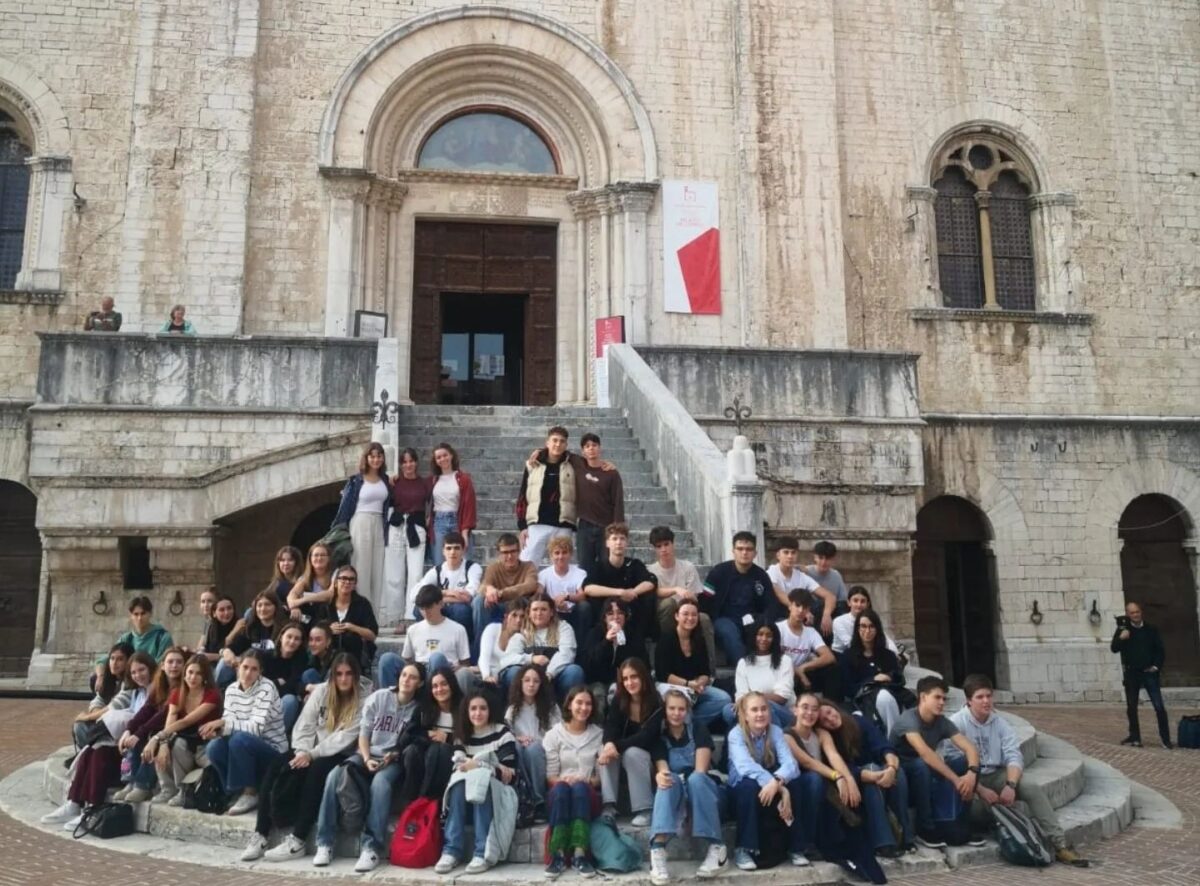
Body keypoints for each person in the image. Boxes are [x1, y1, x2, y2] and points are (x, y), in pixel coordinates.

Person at [951, 674, 1088, 865]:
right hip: (972, 779)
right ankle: (1003, 826)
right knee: (977, 809)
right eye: (980, 697)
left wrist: (1011, 785)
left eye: (989, 696)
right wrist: (980, 790)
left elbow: (1014, 756)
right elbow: (952, 762)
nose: (986, 701)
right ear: (968, 700)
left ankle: (1059, 845)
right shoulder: (957, 723)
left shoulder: (1000, 723)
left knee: (1031, 787)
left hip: (997, 774)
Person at [243, 652, 368, 862]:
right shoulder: (322, 691)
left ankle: (298, 840)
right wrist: (301, 751)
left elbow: (346, 736)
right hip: (311, 747)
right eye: (339, 674)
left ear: (355, 675)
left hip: (340, 752)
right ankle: (261, 834)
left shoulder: (364, 699)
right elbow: (305, 724)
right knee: (276, 765)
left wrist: (312, 755)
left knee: (317, 771)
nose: (344, 679)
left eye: (348, 674)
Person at [320, 661, 424, 873]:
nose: (407, 680)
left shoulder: (419, 709)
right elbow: (364, 734)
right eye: (404, 674)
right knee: (333, 775)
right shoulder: (379, 697)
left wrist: (391, 756)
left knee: (381, 783)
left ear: (420, 683)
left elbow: (411, 743)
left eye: (413, 677)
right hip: (367, 753)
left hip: (393, 760)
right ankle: (325, 841)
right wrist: (366, 758)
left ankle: (372, 846)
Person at [45, 653, 158, 830]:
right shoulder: (138, 692)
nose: (138, 675)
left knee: (100, 755)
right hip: (126, 742)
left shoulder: (156, 691)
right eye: (134, 672)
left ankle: (91, 808)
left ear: (151, 669)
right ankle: (74, 803)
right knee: (91, 751)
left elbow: (148, 718)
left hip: (140, 749)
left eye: (142, 670)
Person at [889, 675, 981, 849]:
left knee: (965, 763)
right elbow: (925, 753)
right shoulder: (908, 719)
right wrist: (956, 779)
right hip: (903, 772)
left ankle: (961, 825)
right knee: (921, 765)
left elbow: (970, 748)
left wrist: (971, 773)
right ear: (923, 697)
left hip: (927, 771)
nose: (942, 703)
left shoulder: (942, 722)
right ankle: (925, 828)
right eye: (937, 697)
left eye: (944, 698)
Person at [434, 692, 520, 874]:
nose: (478, 713)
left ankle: (481, 852)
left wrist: (479, 765)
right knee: (458, 782)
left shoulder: (502, 733)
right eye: (473, 708)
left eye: (483, 708)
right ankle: (451, 850)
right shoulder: (462, 735)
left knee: (482, 779)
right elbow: (460, 767)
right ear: (467, 711)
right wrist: (489, 765)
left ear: (490, 711)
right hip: (466, 797)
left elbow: (510, 775)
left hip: (498, 795)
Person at [648, 688, 728, 883]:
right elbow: (663, 769)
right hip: (680, 794)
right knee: (667, 780)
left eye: (681, 709)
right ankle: (657, 851)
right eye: (672, 708)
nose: (677, 713)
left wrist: (687, 809)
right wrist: (661, 777)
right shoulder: (659, 737)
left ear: (688, 711)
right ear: (664, 710)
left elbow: (701, 770)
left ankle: (718, 849)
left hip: (708, 794)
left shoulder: (698, 728)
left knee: (695, 779)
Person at [819, 699, 913, 859]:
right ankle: (884, 843)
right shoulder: (829, 740)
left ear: (834, 707)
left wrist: (891, 768)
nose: (831, 719)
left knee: (899, 773)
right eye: (825, 721)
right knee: (872, 772)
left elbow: (883, 746)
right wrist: (875, 776)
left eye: (829, 712)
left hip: (879, 771)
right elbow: (848, 769)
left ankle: (907, 837)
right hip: (855, 780)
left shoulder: (858, 721)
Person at [201, 649, 288, 816]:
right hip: (243, 745)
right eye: (245, 667)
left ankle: (250, 793)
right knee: (214, 747)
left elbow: (256, 728)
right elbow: (228, 722)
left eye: (254, 669)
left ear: (260, 672)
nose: (248, 673)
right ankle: (236, 790)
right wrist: (217, 731)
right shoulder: (232, 690)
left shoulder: (266, 687)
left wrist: (224, 724)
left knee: (239, 739)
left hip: (272, 749)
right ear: (237, 667)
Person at [726, 691, 804, 871]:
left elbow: (791, 765)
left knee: (796, 784)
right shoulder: (735, 735)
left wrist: (777, 783)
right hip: (740, 790)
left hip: (767, 785)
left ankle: (796, 847)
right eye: (754, 710)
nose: (760, 714)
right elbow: (745, 767)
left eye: (763, 709)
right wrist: (780, 788)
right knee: (749, 786)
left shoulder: (775, 731)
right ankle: (744, 848)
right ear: (745, 715)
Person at [542, 686, 604, 878]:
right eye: (579, 702)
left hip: (587, 795)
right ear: (569, 704)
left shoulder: (599, 735)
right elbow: (550, 776)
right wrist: (563, 780)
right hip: (559, 794)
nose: (583, 708)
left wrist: (584, 780)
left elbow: (600, 778)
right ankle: (558, 855)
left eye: (588, 704)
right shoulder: (554, 734)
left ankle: (580, 854)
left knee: (579, 787)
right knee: (561, 788)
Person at [113, 647, 186, 803]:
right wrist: (129, 730)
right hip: (159, 727)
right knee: (133, 739)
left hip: (175, 728)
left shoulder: (182, 687)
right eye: (170, 662)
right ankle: (130, 781)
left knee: (147, 737)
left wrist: (139, 733)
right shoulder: (160, 684)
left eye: (179, 662)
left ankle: (143, 785)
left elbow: (163, 715)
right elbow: (147, 709)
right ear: (162, 665)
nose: (174, 666)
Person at [334, 442, 394, 621]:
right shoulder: (356, 480)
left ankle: (373, 617)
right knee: (361, 568)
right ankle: (358, 614)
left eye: (379, 456)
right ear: (366, 458)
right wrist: (337, 528)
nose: (376, 459)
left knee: (377, 570)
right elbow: (344, 508)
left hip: (379, 523)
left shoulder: (385, 480)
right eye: (372, 456)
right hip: (360, 522)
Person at [599, 658, 662, 825]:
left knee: (632, 753)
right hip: (623, 755)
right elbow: (610, 726)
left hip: (648, 760)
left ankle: (645, 809)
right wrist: (609, 744)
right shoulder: (620, 699)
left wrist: (616, 746)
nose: (629, 682)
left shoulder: (656, 701)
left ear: (643, 677)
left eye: (634, 677)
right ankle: (609, 806)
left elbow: (647, 737)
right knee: (604, 750)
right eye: (625, 679)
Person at [152, 654, 221, 806]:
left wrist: (157, 738)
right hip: (186, 740)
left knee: (169, 741)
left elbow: (186, 721)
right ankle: (171, 790)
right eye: (190, 672)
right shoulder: (177, 693)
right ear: (184, 674)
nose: (193, 677)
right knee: (171, 744)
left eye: (198, 673)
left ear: (205, 676)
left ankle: (186, 791)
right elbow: (169, 723)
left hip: (206, 742)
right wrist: (162, 742)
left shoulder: (212, 695)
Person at [393, 665, 462, 810]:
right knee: (412, 751)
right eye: (435, 686)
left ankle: (426, 803)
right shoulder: (424, 709)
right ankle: (412, 802)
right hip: (421, 763)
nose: (439, 689)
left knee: (439, 750)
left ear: (452, 685)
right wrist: (426, 734)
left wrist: (448, 738)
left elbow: (471, 738)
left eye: (444, 684)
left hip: (450, 761)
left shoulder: (463, 709)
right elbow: (406, 737)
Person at [654, 599, 731, 728]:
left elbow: (705, 672)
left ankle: (688, 723)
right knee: (681, 702)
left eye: (694, 615)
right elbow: (663, 674)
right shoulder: (666, 639)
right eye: (685, 614)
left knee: (724, 699)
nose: (690, 618)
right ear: (677, 616)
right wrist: (688, 684)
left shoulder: (698, 639)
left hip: (694, 687)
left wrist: (700, 683)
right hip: (673, 687)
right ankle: (683, 721)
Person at [381, 584, 472, 692]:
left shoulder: (458, 629)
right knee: (387, 659)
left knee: (436, 658)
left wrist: (459, 668)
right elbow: (408, 659)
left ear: (440, 604)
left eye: (429, 607)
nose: (425, 612)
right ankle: (390, 699)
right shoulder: (413, 629)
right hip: (420, 670)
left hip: (445, 671)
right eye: (422, 608)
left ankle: (432, 699)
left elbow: (465, 663)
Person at [702, 532, 773, 665]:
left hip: (752, 620)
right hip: (723, 620)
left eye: (749, 549)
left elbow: (769, 604)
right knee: (729, 632)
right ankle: (746, 669)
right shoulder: (718, 572)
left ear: (755, 553)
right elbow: (705, 601)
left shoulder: (761, 576)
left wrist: (763, 621)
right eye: (740, 549)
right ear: (733, 551)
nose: (744, 553)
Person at [649, 525, 717, 665]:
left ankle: (710, 669)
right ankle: (667, 656)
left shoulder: (687, 567)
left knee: (703, 618)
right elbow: (652, 591)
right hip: (664, 618)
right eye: (659, 546)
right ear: (654, 549)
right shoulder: (650, 571)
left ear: (673, 544)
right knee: (669, 604)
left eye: (667, 544)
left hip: (687, 611)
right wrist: (675, 589)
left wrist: (684, 610)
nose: (663, 549)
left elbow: (693, 598)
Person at [583, 522, 658, 645]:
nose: (618, 542)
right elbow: (588, 588)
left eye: (622, 539)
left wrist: (633, 592)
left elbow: (650, 582)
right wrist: (619, 592)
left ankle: (645, 636)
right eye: (614, 539)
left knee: (648, 596)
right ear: (607, 543)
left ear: (627, 542)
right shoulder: (599, 566)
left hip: (630, 614)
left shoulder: (634, 564)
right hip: (605, 615)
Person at [1111, 600, 1172, 749]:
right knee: (1131, 707)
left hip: (1149, 673)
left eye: (1137, 612)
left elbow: (1160, 650)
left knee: (1159, 707)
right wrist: (1121, 638)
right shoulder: (1123, 630)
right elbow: (1114, 648)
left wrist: (1156, 666)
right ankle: (1135, 737)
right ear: (1128, 615)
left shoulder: (1151, 629)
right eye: (1132, 613)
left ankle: (1165, 739)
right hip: (1132, 673)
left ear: (1141, 612)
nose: (1135, 615)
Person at [499, 594, 585, 699]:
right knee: (512, 672)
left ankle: (564, 710)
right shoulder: (522, 632)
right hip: (528, 678)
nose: (539, 613)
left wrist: (549, 674)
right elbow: (507, 659)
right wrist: (531, 658)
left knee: (574, 671)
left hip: (555, 676)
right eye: (535, 609)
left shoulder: (563, 628)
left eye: (543, 609)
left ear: (551, 612)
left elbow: (567, 654)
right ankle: (519, 708)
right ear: (529, 613)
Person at [506, 663, 561, 822]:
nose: (531, 684)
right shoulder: (512, 709)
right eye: (527, 680)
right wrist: (518, 739)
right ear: (520, 683)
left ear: (541, 684)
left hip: (542, 751)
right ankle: (527, 798)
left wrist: (536, 741)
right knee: (515, 746)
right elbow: (507, 735)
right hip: (521, 752)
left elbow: (557, 735)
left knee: (534, 748)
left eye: (536, 681)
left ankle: (538, 802)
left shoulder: (551, 708)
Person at [516, 426, 578, 563]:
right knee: (527, 565)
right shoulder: (533, 464)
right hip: (538, 523)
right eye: (554, 440)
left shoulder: (573, 464)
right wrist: (522, 526)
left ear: (566, 445)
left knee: (563, 566)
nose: (558, 444)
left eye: (562, 441)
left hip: (564, 524)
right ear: (547, 442)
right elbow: (522, 495)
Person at [471, 533, 538, 659]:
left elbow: (530, 585)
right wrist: (489, 589)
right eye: (505, 552)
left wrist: (500, 593)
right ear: (499, 554)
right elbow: (483, 587)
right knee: (479, 601)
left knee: (523, 600)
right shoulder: (493, 568)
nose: (509, 556)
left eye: (513, 551)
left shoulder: (528, 566)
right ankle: (478, 657)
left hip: (519, 608)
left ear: (519, 551)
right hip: (498, 606)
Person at [386, 447, 431, 625]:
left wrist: (429, 520)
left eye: (411, 461)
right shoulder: (394, 483)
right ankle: (396, 617)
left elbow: (432, 504)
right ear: (400, 465)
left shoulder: (425, 483)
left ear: (416, 463)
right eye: (404, 462)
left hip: (417, 527)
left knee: (416, 574)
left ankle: (411, 615)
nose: (408, 465)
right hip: (396, 526)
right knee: (394, 575)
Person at [845, 609, 907, 734]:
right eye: (863, 626)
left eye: (871, 626)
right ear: (857, 629)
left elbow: (899, 679)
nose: (867, 631)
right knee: (883, 698)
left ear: (877, 629)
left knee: (887, 698)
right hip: (863, 700)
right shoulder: (848, 656)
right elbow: (848, 688)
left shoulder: (888, 655)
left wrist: (888, 677)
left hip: (890, 694)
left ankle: (895, 737)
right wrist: (872, 680)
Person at [409, 530, 479, 637]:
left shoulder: (472, 567)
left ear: (463, 550)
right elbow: (414, 596)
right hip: (440, 609)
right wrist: (446, 592)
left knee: (461, 610)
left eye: (456, 548)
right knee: (419, 609)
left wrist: (436, 597)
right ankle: (427, 641)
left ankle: (465, 647)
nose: (452, 552)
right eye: (449, 548)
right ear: (443, 551)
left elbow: (468, 597)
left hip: (461, 612)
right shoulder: (436, 570)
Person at [725, 621, 795, 728]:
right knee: (728, 711)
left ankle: (772, 741)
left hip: (782, 711)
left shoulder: (785, 661)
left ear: (774, 639)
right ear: (754, 636)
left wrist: (755, 700)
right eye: (760, 634)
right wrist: (749, 703)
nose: (764, 639)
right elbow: (741, 695)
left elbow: (782, 697)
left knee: (766, 707)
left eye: (769, 636)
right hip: (752, 709)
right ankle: (744, 740)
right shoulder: (744, 663)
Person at [574, 432, 625, 570]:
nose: (591, 448)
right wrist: (538, 452)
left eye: (594, 445)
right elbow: (558, 452)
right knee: (584, 565)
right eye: (587, 446)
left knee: (607, 564)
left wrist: (617, 528)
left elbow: (618, 501)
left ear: (600, 448)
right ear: (582, 450)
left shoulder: (611, 473)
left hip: (606, 526)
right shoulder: (578, 466)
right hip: (585, 525)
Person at [777, 588, 839, 699]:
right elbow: (775, 657)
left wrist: (803, 668)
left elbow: (829, 657)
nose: (801, 610)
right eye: (797, 605)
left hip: (802, 676)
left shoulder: (810, 632)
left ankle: (832, 705)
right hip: (781, 674)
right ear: (790, 606)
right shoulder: (778, 628)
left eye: (805, 608)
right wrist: (799, 673)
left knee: (832, 669)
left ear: (808, 610)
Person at [320, 564, 379, 675]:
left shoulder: (363, 604)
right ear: (336, 582)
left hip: (355, 658)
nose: (347, 582)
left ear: (355, 584)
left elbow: (372, 635)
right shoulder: (326, 604)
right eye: (343, 578)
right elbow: (316, 628)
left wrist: (353, 628)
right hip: (329, 658)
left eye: (351, 579)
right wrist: (328, 629)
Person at [73, 641, 133, 749]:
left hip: (121, 727)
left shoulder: (131, 683)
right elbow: (97, 701)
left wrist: (88, 717)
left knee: (85, 727)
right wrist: (97, 714)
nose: (114, 663)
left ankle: (90, 753)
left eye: (120, 659)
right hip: (105, 721)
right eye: (112, 658)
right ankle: (89, 754)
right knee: (79, 726)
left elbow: (113, 708)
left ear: (128, 661)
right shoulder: (110, 681)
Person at [97, 596, 173, 677]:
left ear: (150, 613)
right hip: (130, 680)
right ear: (131, 616)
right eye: (136, 614)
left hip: (154, 680)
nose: (139, 618)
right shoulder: (127, 638)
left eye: (143, 613)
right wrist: (100, 676)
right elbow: (104, 660)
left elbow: (161, 664)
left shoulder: (162, 637)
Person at [217, 590, 280, 688]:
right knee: (224, 662)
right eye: (259, 605)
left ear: (275, 607)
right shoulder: (251, 628)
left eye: (267, 605)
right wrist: (228, 653)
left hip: (270, 672)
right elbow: (232, 647)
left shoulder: (283, 629)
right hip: (249, 670)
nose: (263, 609)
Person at [581, 599, 649, 690]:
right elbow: (588, 664)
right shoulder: (595, 633)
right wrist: (606, 642)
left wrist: (621, 641)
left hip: (626, 682)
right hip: (597, 681)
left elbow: (642, 663)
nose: (616, 617)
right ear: (604, 618)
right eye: (610, 614)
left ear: (625, 616)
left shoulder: (634, 634)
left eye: (620, 613)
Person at [430, 442, 478, 565]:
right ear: (435, 461)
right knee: (439, 563)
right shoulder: (433, 480)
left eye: (445, 455)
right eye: (438, 457)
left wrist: (465, 532)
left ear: (451, 455)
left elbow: (469, 506)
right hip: (439, 523)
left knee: (462, 562)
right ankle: (442, 585)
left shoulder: (463, 479)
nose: (442, 459)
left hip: (457, 522)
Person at [767, 537, 832, 625]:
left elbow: (829, 596)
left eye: (793, 553)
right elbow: (779, 594)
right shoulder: (771, 571)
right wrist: (803, 611)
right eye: (786, 552)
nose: (790, 556)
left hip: (801, 616)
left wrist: (826, 615)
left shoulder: (801, 576)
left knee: (821, 606)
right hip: (779, 616)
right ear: (778, 555)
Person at [538, 535, 592, 638]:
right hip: (553, 613)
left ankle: (582, 646)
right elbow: (538, 595)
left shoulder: (580, 573)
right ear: (551, 555)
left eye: (564, 552)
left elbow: (582, 596)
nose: (560, 557)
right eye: (557, 553)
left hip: (573, 613)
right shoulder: (544, 574)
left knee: (584, 607)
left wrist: (566, 597)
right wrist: (554, 603)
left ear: (570, 554)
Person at [265, 621, 310, 731]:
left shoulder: (301, 659)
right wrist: (276, 682)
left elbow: (293, 685)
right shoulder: (266, 656)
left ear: (301, 642)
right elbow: (260, 684)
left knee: (290, 699)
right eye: (289, 637)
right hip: (264, 701)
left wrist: (275, 684)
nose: (292, 641)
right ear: (281, 637)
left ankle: (278, 738)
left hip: (285, 703)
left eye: (297, 639)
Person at [478, 599, 528, 697]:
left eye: (522, 616)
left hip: (507, 677)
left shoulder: (524, 637)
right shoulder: (493, 628)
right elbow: (484, 656)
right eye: (514, 615)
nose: (518, 620)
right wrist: (486, 676)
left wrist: (525, 636)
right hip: (487, 674)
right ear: (506, 616)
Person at [832, 587, 899, 655]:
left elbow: (884, 638)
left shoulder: (871, 619)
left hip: (868, 653)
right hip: (843, 655)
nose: (859, 605)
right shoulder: (839, 621)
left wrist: (895, 654)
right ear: (849, 602)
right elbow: (850, 644)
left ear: (868, 604)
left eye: (863, 601)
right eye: (855, 601)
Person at [286, 542, 336, 626]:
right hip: (313, 619)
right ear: (310, 559)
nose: (319, 558)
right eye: (316, 555)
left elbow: (330, 594)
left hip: (332, 616)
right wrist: (294, 607)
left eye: (323, 555)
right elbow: (291, 596)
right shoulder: (304, 578)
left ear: (329, 558)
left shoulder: (336, 573)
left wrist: (305, 599)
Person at [804, 540, 849, 633]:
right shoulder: (806, 572)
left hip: (831, 616)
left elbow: (843, 601)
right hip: (810, 617)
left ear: (833, 559)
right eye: (820, 558)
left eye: (828, 559)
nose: (824, 562)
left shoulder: (836, 575)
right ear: (815, 557)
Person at [265, 545, 303, 617]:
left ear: (297, 563)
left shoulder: (302, 581)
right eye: (282, 560)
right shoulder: (276, 582)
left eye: (290, 560)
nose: (286, 563)